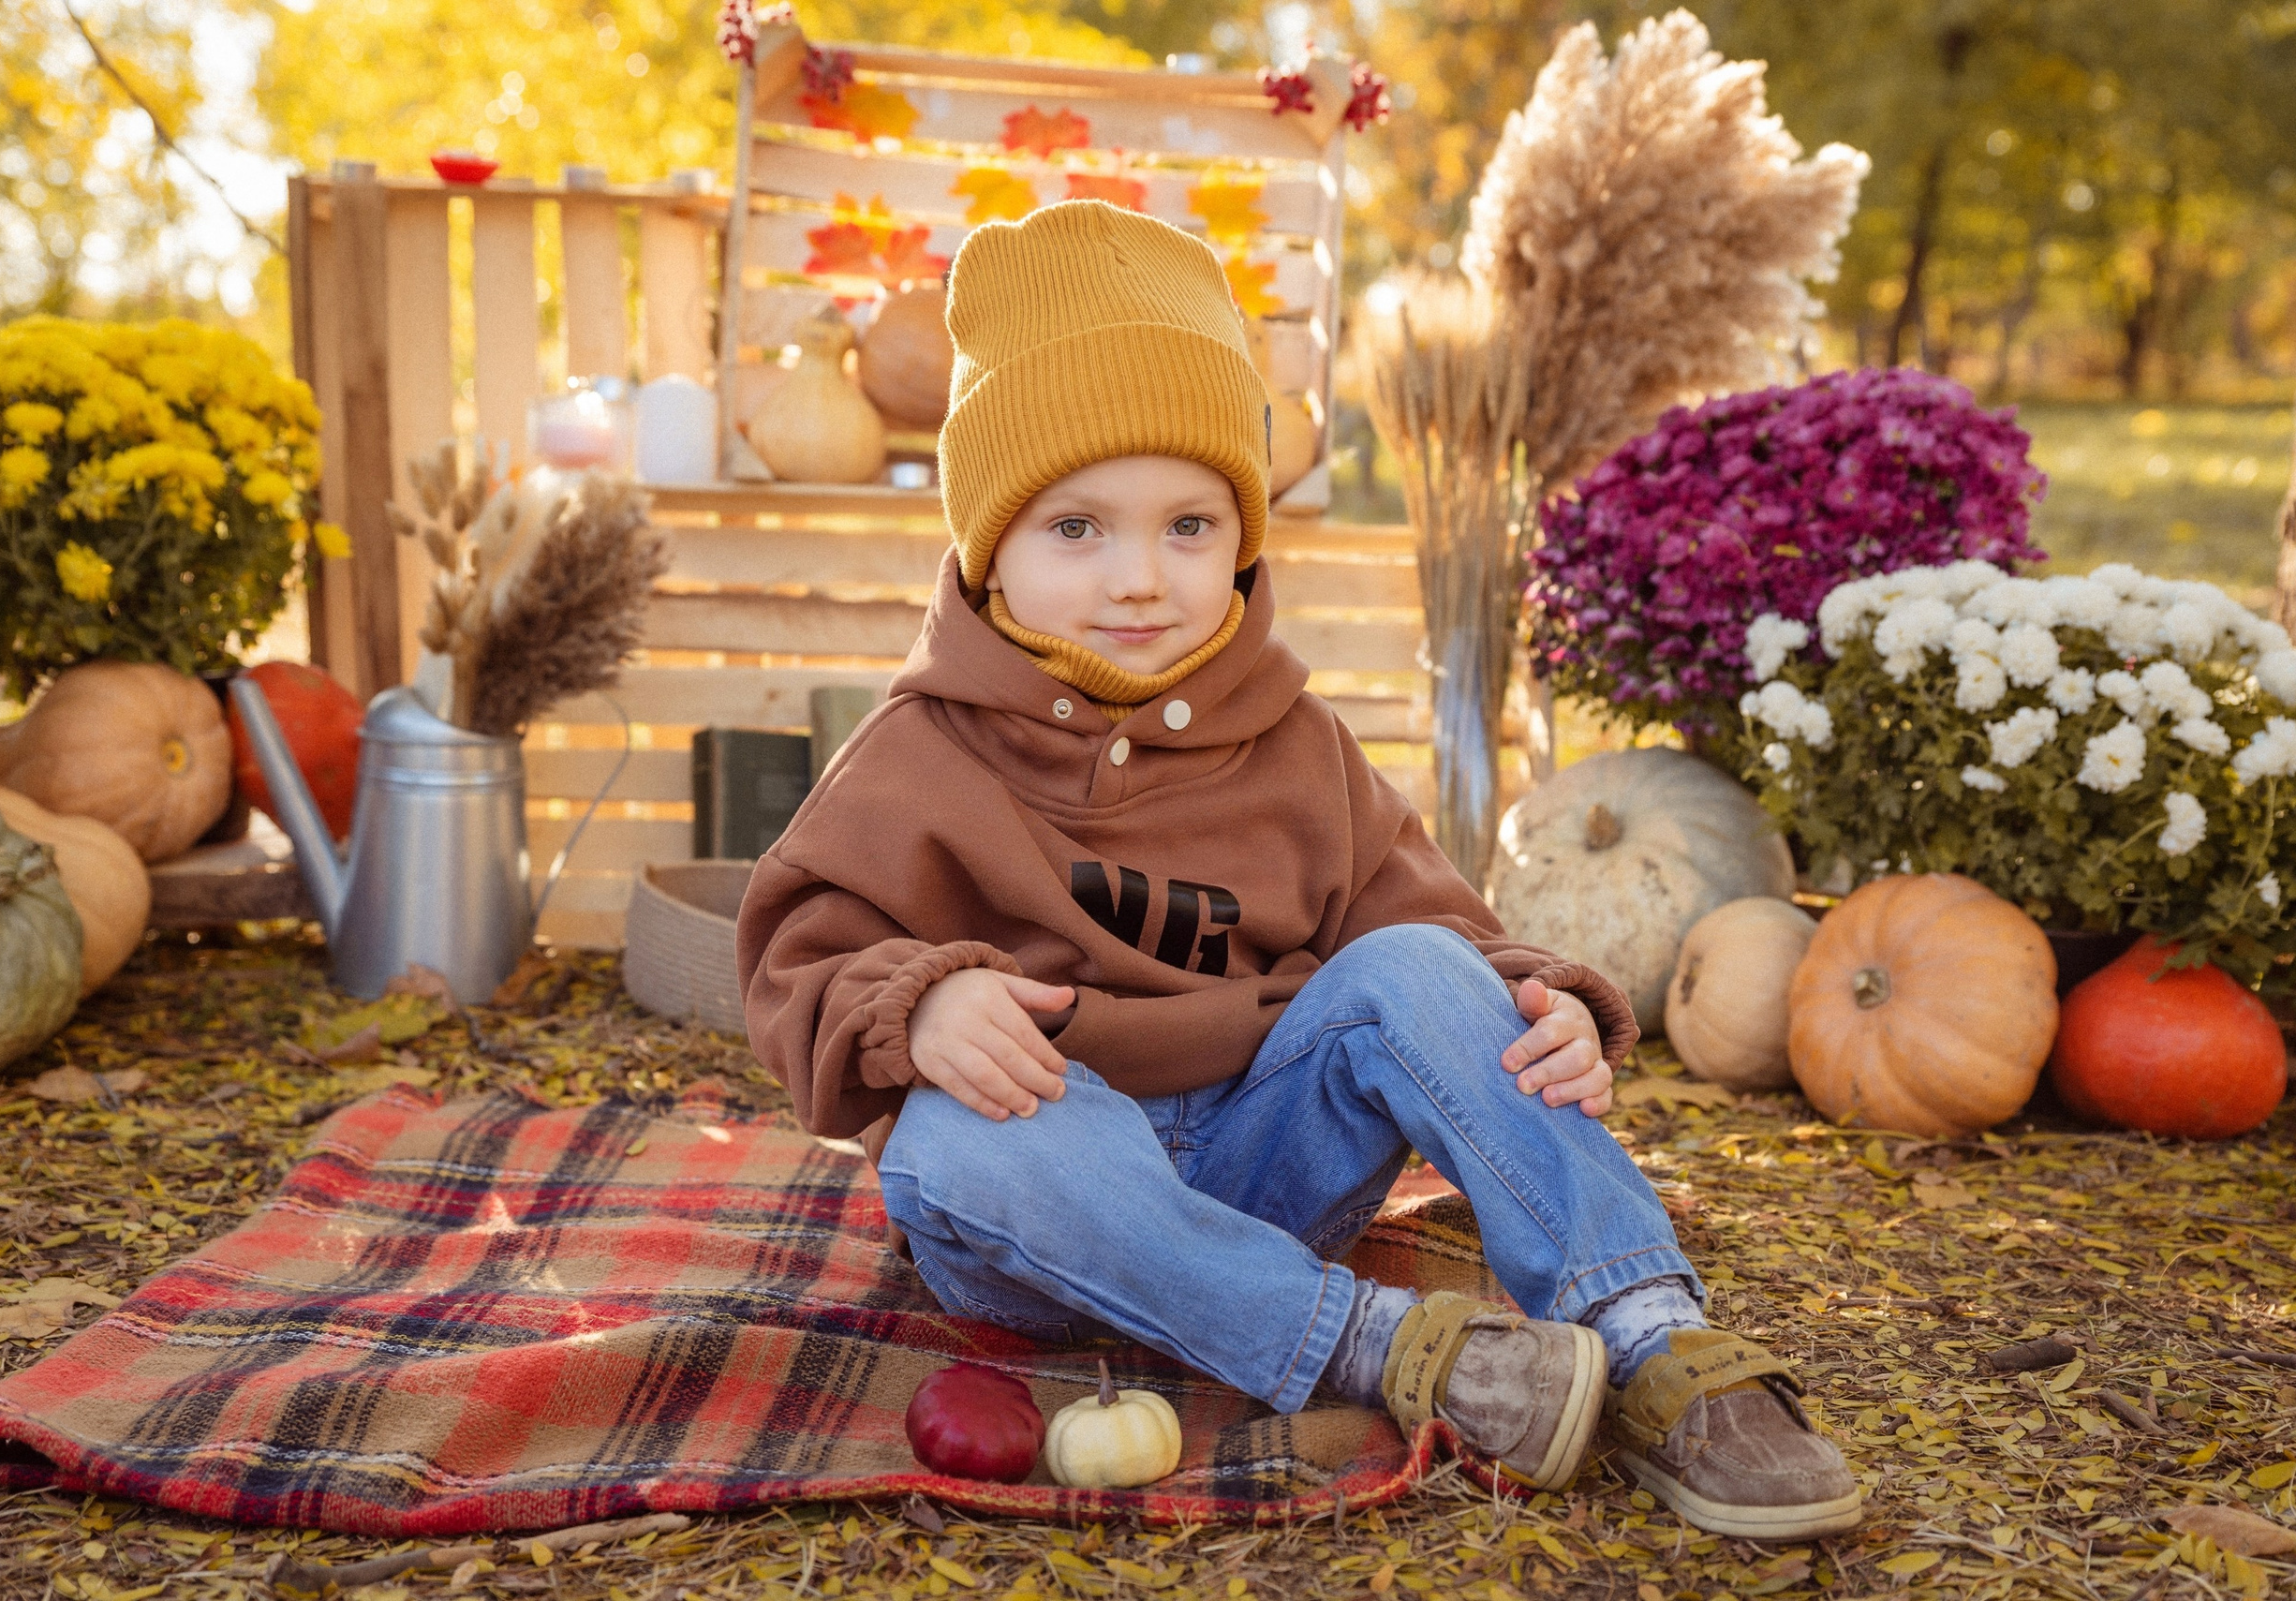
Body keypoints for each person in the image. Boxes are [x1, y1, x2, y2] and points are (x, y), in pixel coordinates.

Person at [737, 200, 1860, 1537]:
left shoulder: (1294, 742)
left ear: (1245, 536)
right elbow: (796, 945)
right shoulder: (920, 752)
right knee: (954, 1143)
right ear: (990, 546)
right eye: (1077, 528)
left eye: (1190, 527)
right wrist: (914, 1004)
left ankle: (1646, 1328)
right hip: (1048, 1206)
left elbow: (1427, 927)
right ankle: (1391, 1349)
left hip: (1265, 1158)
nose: (1141, 578)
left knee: (1416, 970)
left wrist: (1536, 999)